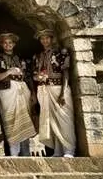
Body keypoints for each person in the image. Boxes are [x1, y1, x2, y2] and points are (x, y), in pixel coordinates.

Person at [0, 33, 36, 156]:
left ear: (14, 44)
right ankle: (14, 152)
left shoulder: (21, 59)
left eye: (10, 43)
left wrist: (33, 94)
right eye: (5, 43)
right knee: (9, 121)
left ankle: (26, 152)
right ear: (1, 44)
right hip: (6, 91)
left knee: (25, 121)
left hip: (23, 90)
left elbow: (29, 77)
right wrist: (9, 72)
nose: (8, 45)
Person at [32, 28, 76, 157]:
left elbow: (66, 72)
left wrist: (63, 92)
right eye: (42, 38)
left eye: (47, 38)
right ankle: (58, 150)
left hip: (58, 88)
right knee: (51, 121)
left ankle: (69, 149)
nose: (45, 40)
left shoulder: (61, 53)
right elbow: (34, 75)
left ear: (51, 39)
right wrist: (39, 77)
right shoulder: (38, 56)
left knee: (64, 120)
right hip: (44, 90)